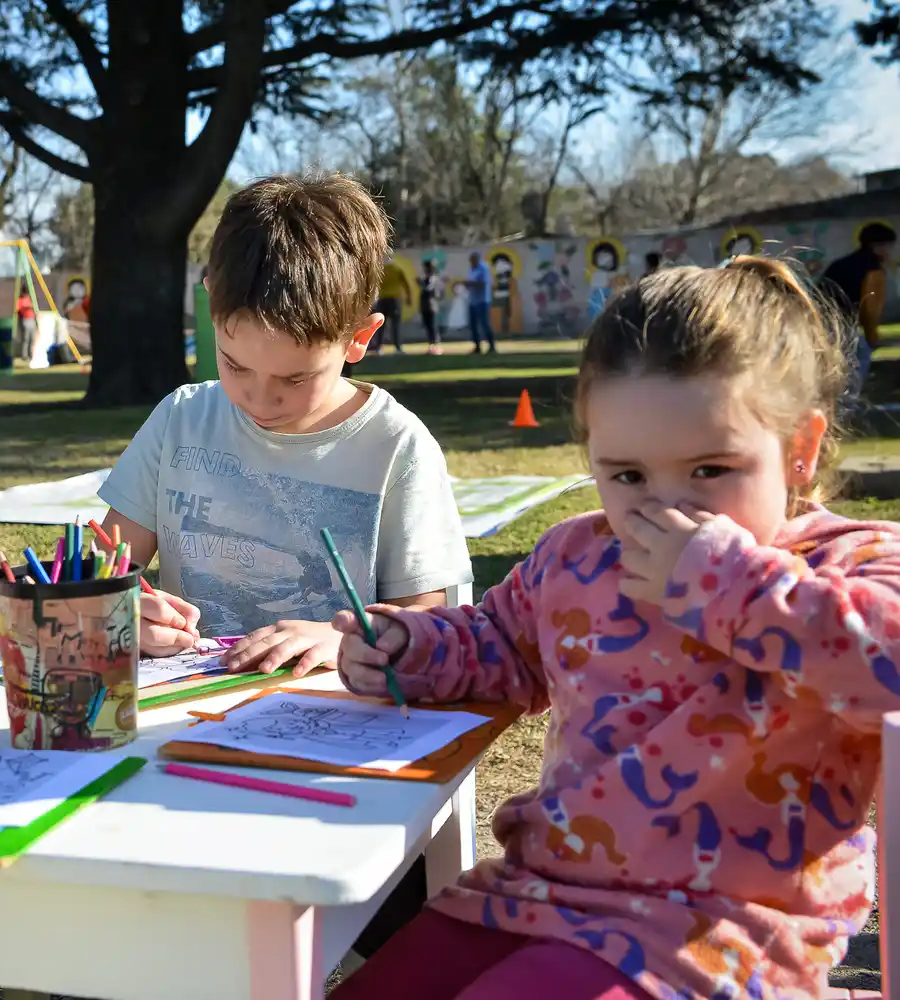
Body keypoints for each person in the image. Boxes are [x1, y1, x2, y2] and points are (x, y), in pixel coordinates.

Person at [331, 257, 894, 1000]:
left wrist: (726, 583)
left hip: (723, 937)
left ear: (799, 449)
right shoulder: (578, 554)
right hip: (538, 894)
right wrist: (413, 646)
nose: (665, 508)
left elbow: (884, 661)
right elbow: (501, 645)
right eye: (626, 476)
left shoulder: (845, 561)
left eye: (709, 471)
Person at [100, 172, 473, 677]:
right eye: (234, 365)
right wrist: (117, 613)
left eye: (295, 378)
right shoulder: (180, 420)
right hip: (185, 720)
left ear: (359, 339)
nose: (260, 397)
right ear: (210, 305)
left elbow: (433, 624)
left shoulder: (396, 447)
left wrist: (346, 639)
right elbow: (98, 573)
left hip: (336, 724)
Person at [819, 221, 896, 395]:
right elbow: (870, 309)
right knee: (860, 355)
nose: (890, 252)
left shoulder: (842, 263)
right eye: (888, 247)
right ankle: (847, 401)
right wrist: (871, 336)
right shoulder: (873, 270)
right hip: (841, 322)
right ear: (876, 246)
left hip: (821, 318)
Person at [466, 250, 496, 354]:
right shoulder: (471, 270)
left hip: (482, 300)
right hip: (473, 300)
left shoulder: (483, 268)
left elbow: (482, 283)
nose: (471, 262)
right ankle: (477, 346)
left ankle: (492, 346)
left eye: (473, 260)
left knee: (484, 324)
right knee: (473, 325)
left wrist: (470, 284)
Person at [419, 259, 443, 356]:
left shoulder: (433, 279)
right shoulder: (425, 279)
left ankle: (436, 347)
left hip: (431, 306)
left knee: (432, 327)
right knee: (428, 327)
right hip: (425, 306)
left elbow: (430, 290)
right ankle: (431, 346)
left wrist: (421, 284)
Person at [16, 287, 38, 366]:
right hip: (25, 320)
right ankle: (24, 355)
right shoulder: (20, 300)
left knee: (32, 339)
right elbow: (19, 309)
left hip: (32, 320)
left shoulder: (29, 299)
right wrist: (27, 307)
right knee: (26, 339)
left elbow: (34, 307)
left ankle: (32, 354)